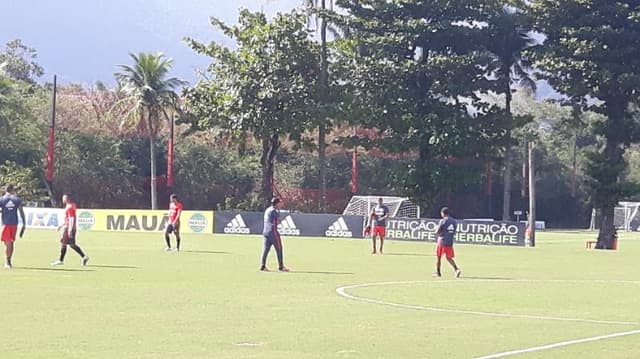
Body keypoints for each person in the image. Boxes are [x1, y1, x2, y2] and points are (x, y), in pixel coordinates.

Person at [51, 194, 89, 266]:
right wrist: (61, 225)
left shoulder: (70, 207)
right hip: (68, 227)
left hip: (68, 228)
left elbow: (71, 218)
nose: (63, 199)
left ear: (67, 198)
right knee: (72, 245)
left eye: (64, 198)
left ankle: (60, 260)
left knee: (64, 244)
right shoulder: (72, 205)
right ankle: (84, 257)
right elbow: (68, 218)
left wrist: (70, 229)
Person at [0, 184, 26, 269]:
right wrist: (24, 224)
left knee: (7, 243)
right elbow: (21, 212)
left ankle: (7, 262)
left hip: (6, 223)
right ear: (12, 190)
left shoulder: (2, 199)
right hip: (14, 223)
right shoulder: (17, 199)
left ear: (5, 190)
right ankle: (9, 260)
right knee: (11, 242)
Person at [260, 197, 289, 272]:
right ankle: (281, 267)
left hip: (266, 232)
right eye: (279, 203)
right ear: (276, 203)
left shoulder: (268, 209)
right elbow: (278, 221)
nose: (281, 204)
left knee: (266, 249)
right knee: (279, 249)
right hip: (273, 232)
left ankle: (263, 266)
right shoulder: (274, 211)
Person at [433, 207, 461, 278]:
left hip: (442, 241)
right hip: (449, 242)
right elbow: (454, 232)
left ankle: (438, 273)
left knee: (438, 257)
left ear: (443, 213)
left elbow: (437, 232)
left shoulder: (443, 221)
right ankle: (456, 269)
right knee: (449, 258)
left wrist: (436, 230)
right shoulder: (454, 221)